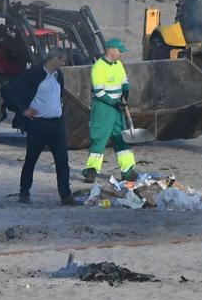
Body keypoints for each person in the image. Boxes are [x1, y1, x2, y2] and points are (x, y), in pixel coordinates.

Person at [19, 50, 74, 205]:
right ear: (54, 59)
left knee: (62, 161)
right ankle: (24, 192)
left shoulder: (58, 76)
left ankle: (65, 196)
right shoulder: (34, 74)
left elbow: (59, 96)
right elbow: (14, 92)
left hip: (56, 124)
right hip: (38, 124)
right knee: (31, 159)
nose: (64, 63)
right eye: (62, 60)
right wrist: (23, 109)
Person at [83, 37, 137, 183]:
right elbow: (99, 92)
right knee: (99, 138)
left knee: (122, 138)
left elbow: (124, 81)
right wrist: (113, 102)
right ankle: (91, 170)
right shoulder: (98, 67)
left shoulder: (118, 64)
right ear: (111, 50)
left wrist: (125, 91)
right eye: (120, 51)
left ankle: (128, 171)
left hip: (117, 107)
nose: (121, 54)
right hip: (103, 108)